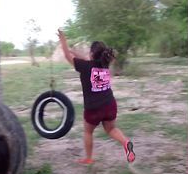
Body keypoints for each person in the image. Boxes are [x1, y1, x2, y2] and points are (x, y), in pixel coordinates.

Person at [57, 29, 135, 164]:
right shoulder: (104, 65)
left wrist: (63, 40)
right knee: (111, 129)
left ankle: (88, 158)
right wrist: (72, 50)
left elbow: (66, 56)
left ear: (92, 53)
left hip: (93, 108)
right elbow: (86, 58)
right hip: (110, 104)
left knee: (88, 132)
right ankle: (126, 142)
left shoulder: (85, 66)